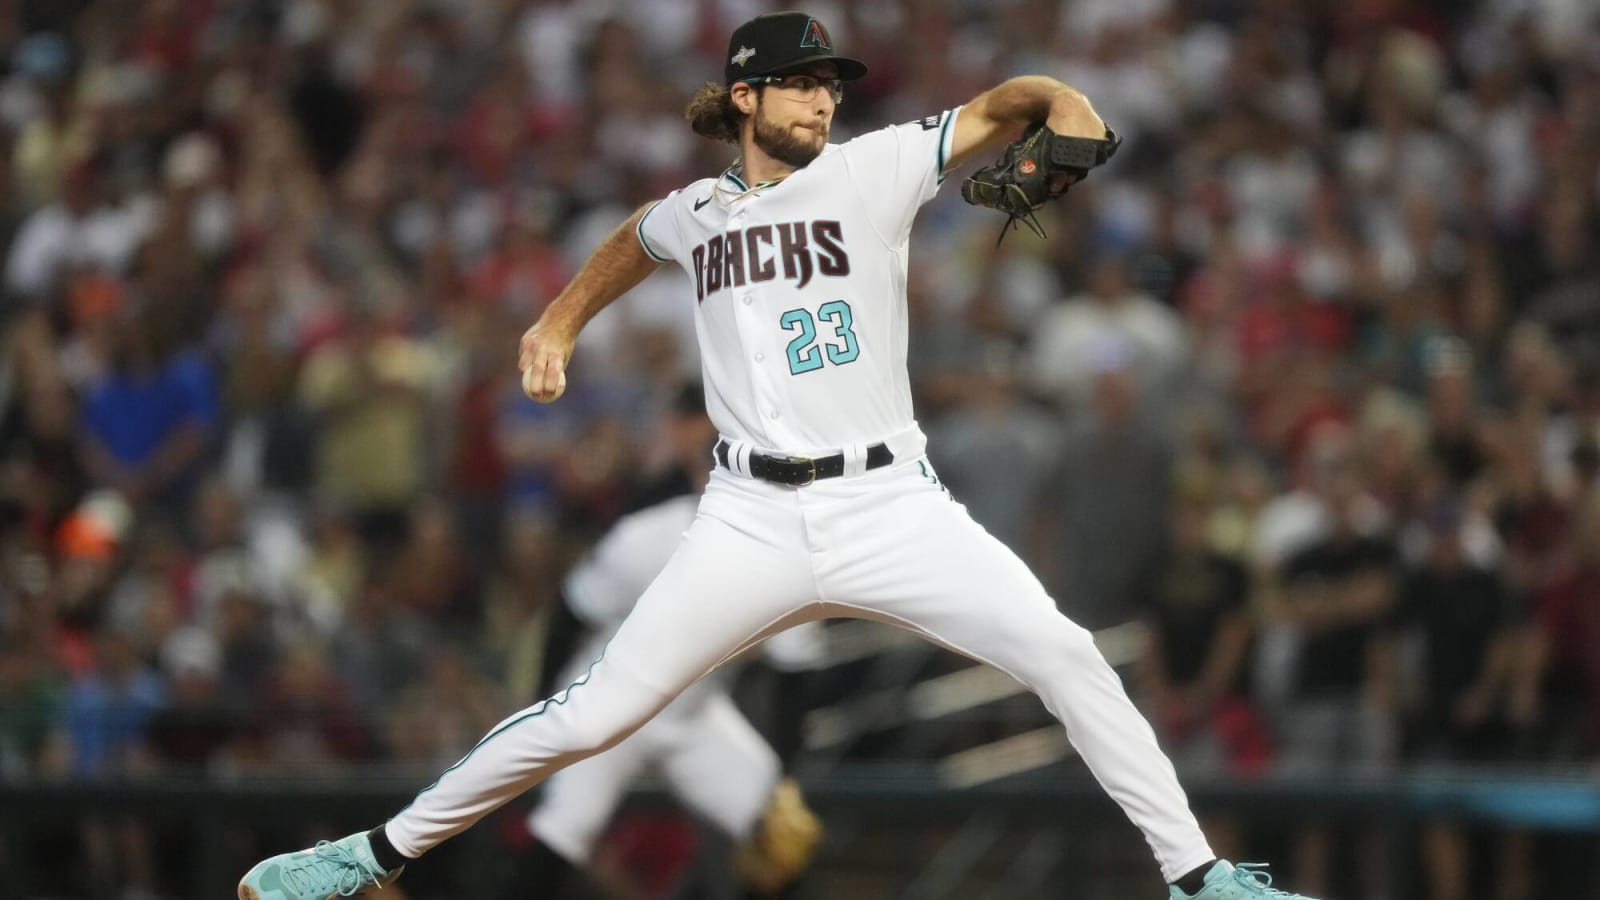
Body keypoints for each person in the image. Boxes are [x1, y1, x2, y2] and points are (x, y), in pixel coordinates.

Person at [240, 12, 1316, 900]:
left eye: (830, 85)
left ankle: (1198, 880)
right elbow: (633, 239)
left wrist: (1067, 104)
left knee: (1065, 655)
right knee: (594, 713)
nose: (822, 99)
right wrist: (557, 323)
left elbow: (1007, 105)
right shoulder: (698, 212)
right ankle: (365, 858)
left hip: (891, 502)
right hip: (748, 519)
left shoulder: (877, 169)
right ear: (744, 98)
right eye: (800, 84)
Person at [503, 387, 823, 900]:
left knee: (783, 836)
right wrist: (542, 709)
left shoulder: (787, 557)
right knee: (561, 834)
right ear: (701, 476)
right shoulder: (647, 536)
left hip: (692, 715)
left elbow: (794, 677)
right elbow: (569, 615)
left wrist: (782, 779)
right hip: (607, 710)